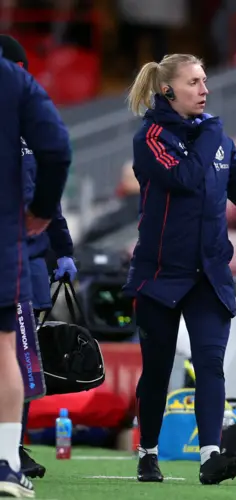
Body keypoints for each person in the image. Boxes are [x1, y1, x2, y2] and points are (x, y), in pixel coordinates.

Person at [122, 53, 236, 486]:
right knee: (157, 370)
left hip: (208, 272)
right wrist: (210, 133)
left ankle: (210, 456)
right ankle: (148, 452)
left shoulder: (216, 137)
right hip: (159, 274)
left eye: (205, 81)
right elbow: (186, 177)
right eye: (193, 82)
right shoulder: (151, 136)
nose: (205, 89)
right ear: (168, 89)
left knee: (211, 362)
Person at [0, 34, 78, 480]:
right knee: (13, 354)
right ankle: (9, 452)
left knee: (24, 355)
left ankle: (16, 444)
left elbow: (52, 204)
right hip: (14, 253)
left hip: (28, 258)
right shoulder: (24, 118)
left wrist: (63, 250)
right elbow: (47, 192)